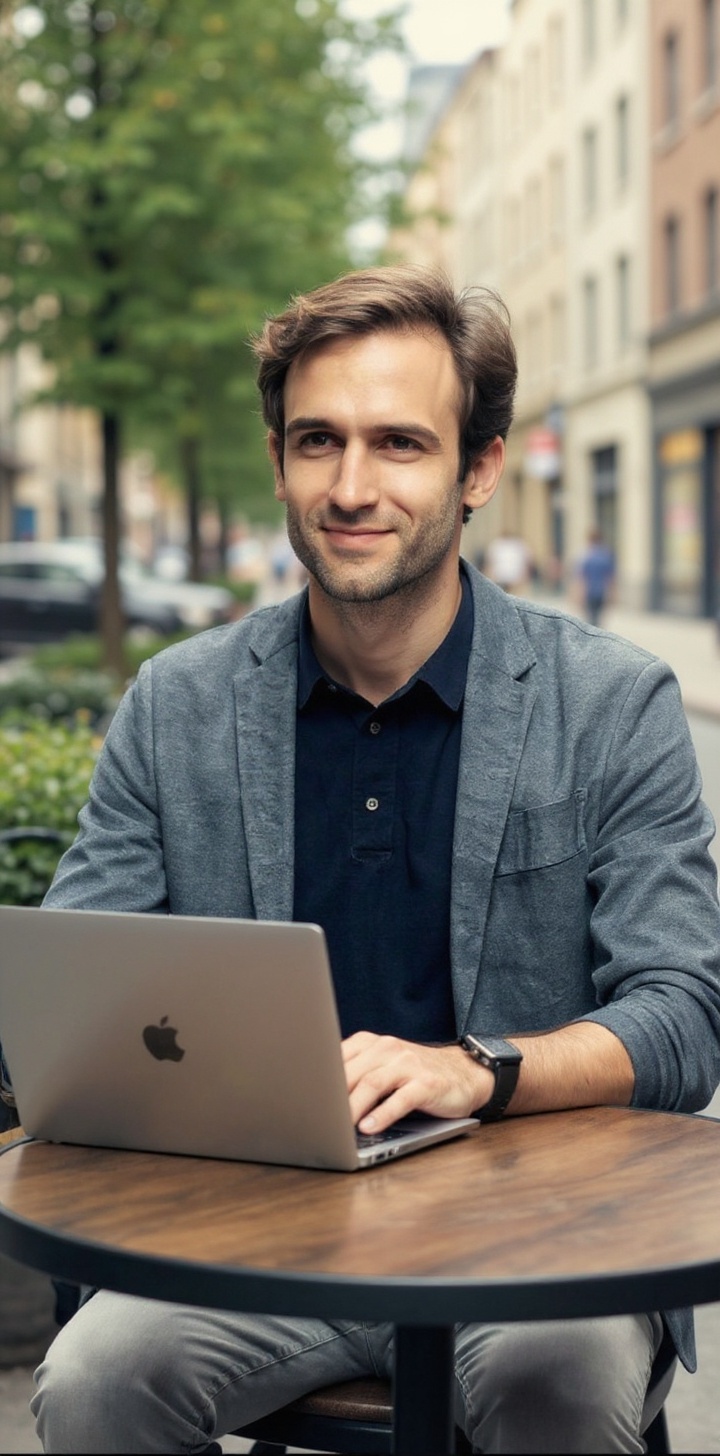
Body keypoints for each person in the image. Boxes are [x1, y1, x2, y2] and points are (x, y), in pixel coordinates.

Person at [8, 264, 720, 1454]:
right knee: (93, 1380)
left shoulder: (613, 702)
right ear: (278, 460)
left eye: (398, 442)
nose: (351, 486)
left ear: (478, 468)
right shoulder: (175, 705)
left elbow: (686, 1015)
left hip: (534, 1239)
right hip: (247, 1236)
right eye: (316, 441)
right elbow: (72, 1005)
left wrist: (478, 1069)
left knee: (564, 1379)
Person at [575, 527, 616, 626]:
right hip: (601, 591)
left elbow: (582, 577)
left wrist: (579, 594)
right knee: (598, 617)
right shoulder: (606, 555)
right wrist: (612, 593)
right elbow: (610, 577)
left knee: (590, 618)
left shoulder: (587, 556)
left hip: (589, 591)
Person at [484, 527, 533, 594]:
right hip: (500, 576)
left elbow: (527, 560)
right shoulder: (496, 544)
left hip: (513, 576)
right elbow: (490, 561)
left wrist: (525, 575)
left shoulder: (518, 544)